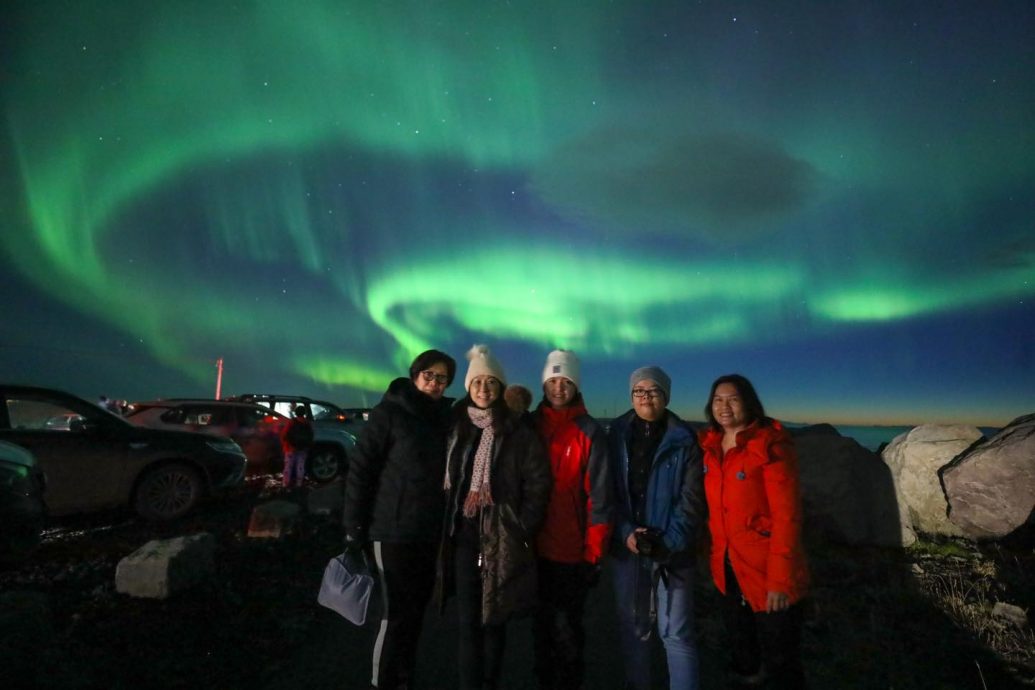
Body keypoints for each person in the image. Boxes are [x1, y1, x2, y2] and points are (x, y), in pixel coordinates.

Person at [437, 344, 552, 690]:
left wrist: (520, 526)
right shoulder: (457, 428)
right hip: (464, 538)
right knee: (469, 623)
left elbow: (538, 483)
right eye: (477, 383)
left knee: (494, 622)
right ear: (468, 388)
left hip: (502, 539)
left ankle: (490, 682)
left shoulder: (517, 431)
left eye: (491, 383)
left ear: (501, 388)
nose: (484, 390)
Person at [342, 349, 457, 690]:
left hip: (428, 531)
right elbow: (361, 470)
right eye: (429, 375)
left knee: (416, 613)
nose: (435, 383)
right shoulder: (389, 414)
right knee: (394, 614)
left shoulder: (443, 418)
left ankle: (404, 676)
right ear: (415, 374)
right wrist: (354, 528)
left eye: (442, 378)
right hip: (391, 530)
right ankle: (383, 681)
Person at [698, 374, 809, 689]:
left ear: (748, 402)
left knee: (781, 657)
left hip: (767, 569)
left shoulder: (769, 445)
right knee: (742, 643)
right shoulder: (709, 445)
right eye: (718, 399)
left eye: (733, 399)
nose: (724, 406)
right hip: (728, 565)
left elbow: (787, 516)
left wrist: (780, 580)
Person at [608, 366, 704, 690]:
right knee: (634, 629)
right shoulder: (617, 433)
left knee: (676, 632)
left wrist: (669, 542)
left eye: (653, 391)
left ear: (666, 396)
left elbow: (691, 499)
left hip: (673, 552)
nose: (645, 397)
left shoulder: (684, 439)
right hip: (629, 548)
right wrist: (626, 533)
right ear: (631, 395)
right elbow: (609, 492)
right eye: (639, 391)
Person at [531, 349, 612, 690]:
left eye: (566, 381)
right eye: (552, 380)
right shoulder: (529, 426)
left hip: (569, 551)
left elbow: (601, 497)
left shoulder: (589, 431)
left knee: (567, 628)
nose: (559, 388)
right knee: (540, 628)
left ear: (576, 386)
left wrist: (594, 553)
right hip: (531, 548)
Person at [280, 404, 313, 488]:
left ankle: (285, 484)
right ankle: (299, 483)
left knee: (288, 466)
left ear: (296, 413)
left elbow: (284, 434)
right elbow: (311, 436)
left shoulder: (292, 422)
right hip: (303, 449)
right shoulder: (307, 423)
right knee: (300, 466)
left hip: (290, 448)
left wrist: (285, 444)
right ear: (304, 413)